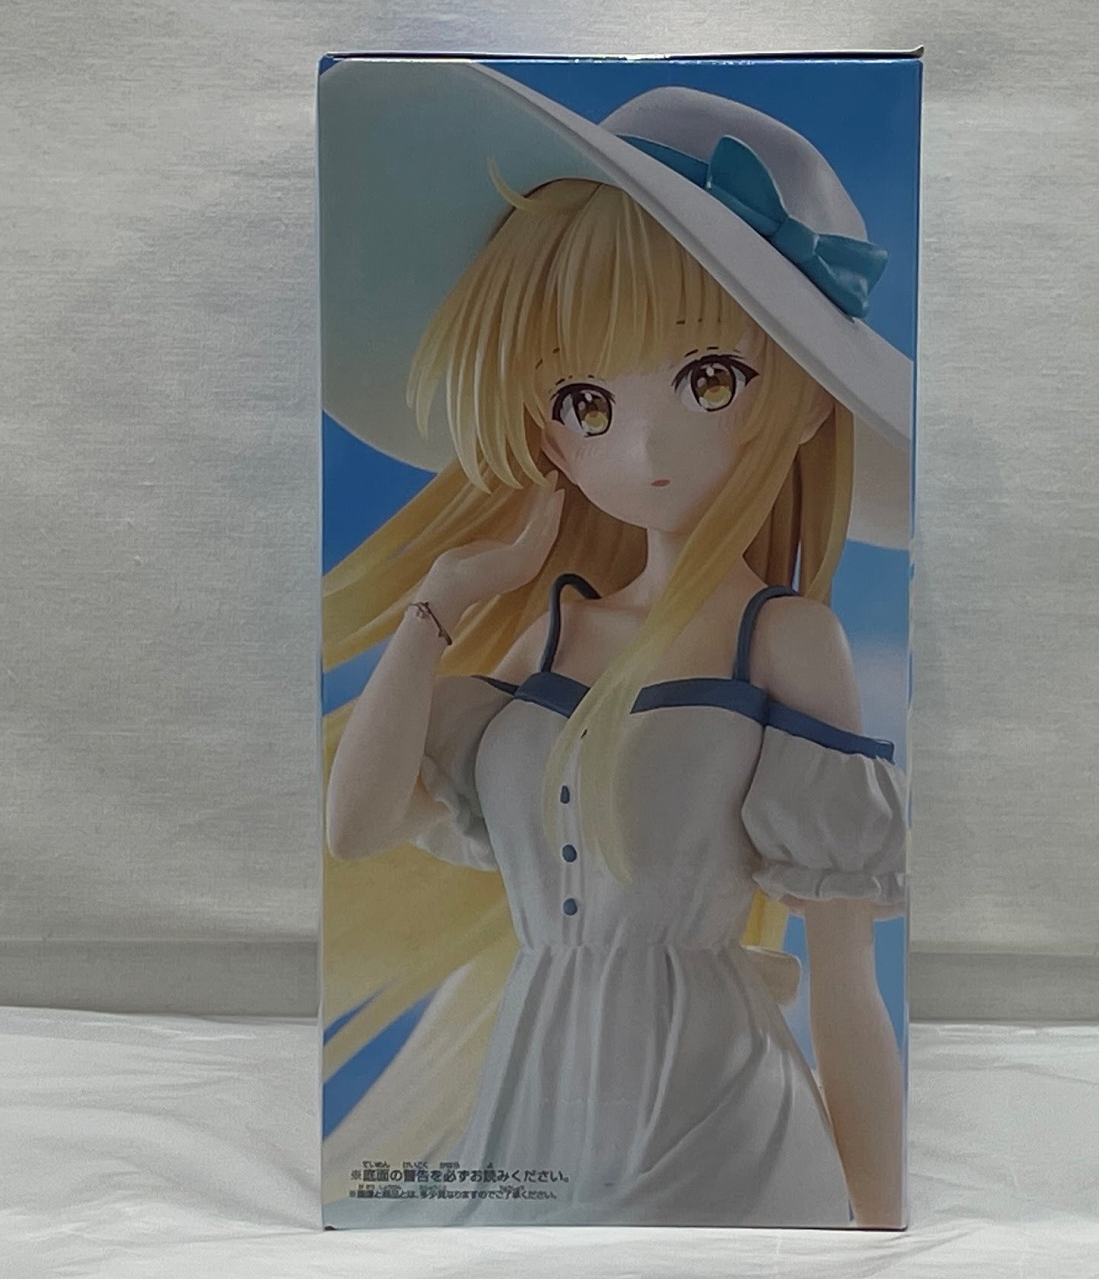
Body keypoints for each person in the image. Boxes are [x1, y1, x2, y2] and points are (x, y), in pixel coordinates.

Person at [317, 61, 912, 1228]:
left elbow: (846, 983)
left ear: (799, 397)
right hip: (534, 1114)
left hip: (717, 1125)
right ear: (547, 433)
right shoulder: (549, 637)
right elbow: (359, 825)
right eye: (584, 402)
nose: (640, 445)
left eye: (707, 379)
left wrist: (882, 1228)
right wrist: (437, 603)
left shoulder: (783, 640)